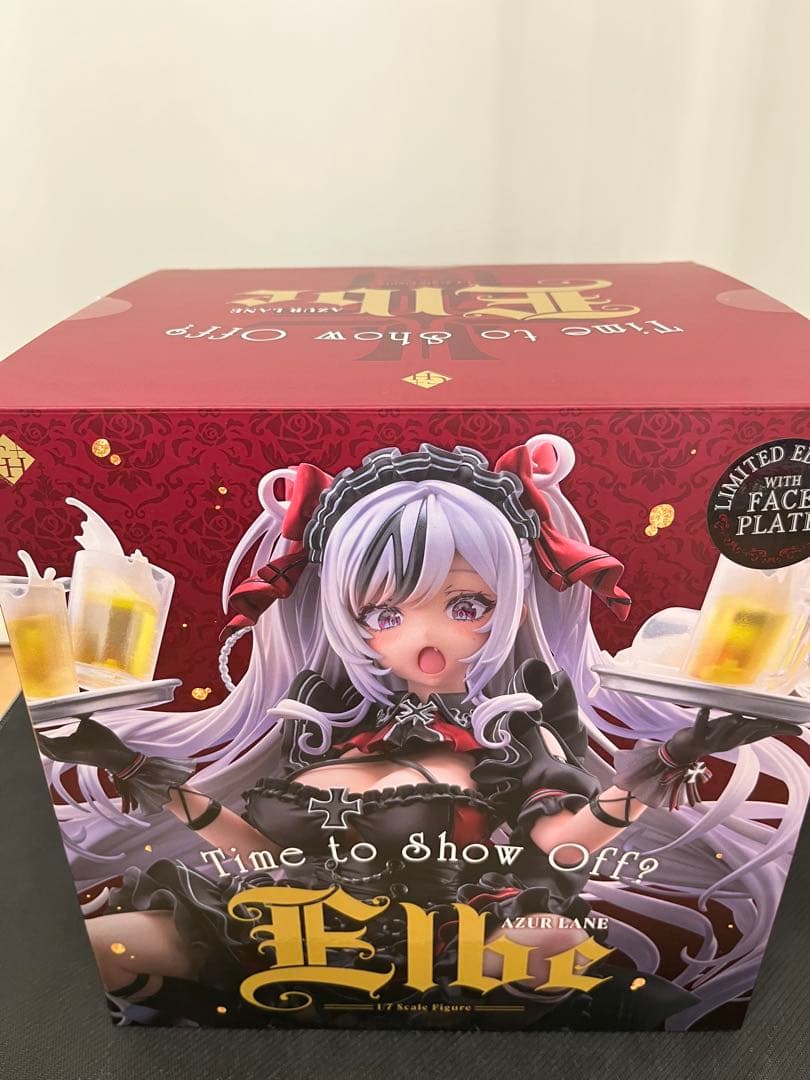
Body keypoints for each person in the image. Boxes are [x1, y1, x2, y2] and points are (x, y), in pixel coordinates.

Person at [39, 437, 806, 1030]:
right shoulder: (322, 724)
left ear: (512, 605)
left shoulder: (516, 734)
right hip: (290, 933)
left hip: (462, 943)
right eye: (385, 613)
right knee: (96, 947)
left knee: (553, 945)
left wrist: (670, 759)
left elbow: (559, 845)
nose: (425, 637)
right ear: (349, 619)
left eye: (467, 605)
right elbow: (261, 855)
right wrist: (126, 763)